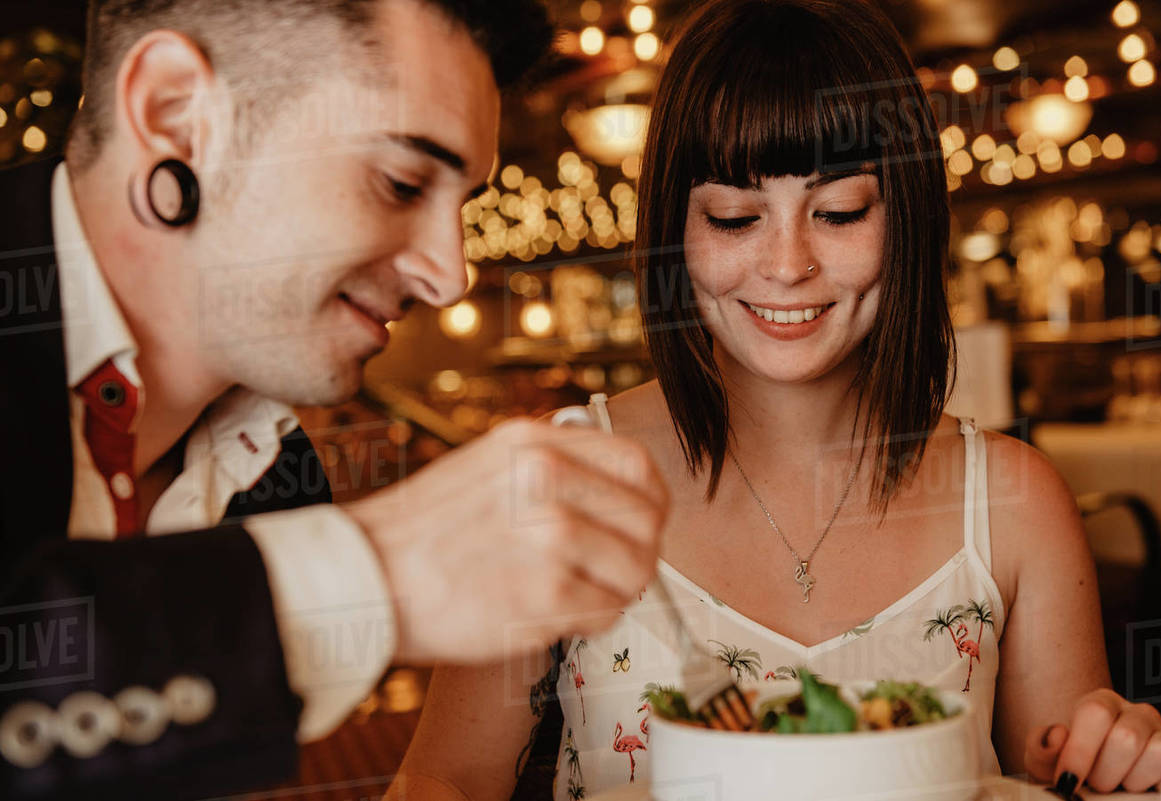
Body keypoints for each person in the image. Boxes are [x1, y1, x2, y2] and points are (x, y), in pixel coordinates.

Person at [395, 0, 1161, 797]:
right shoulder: (564, 484)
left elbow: (1070, 776)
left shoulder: (1012, 502)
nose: (789, 264)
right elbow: (440, 782)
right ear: (675, 230)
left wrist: (1121, 762)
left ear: (903, 217)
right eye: (734, 218)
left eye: (838, 212)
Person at [0, 1, 668, 798]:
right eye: (401, 181)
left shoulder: (276, 471)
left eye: (461, 203)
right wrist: (380, 570)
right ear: (175, 114)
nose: (449, 272)